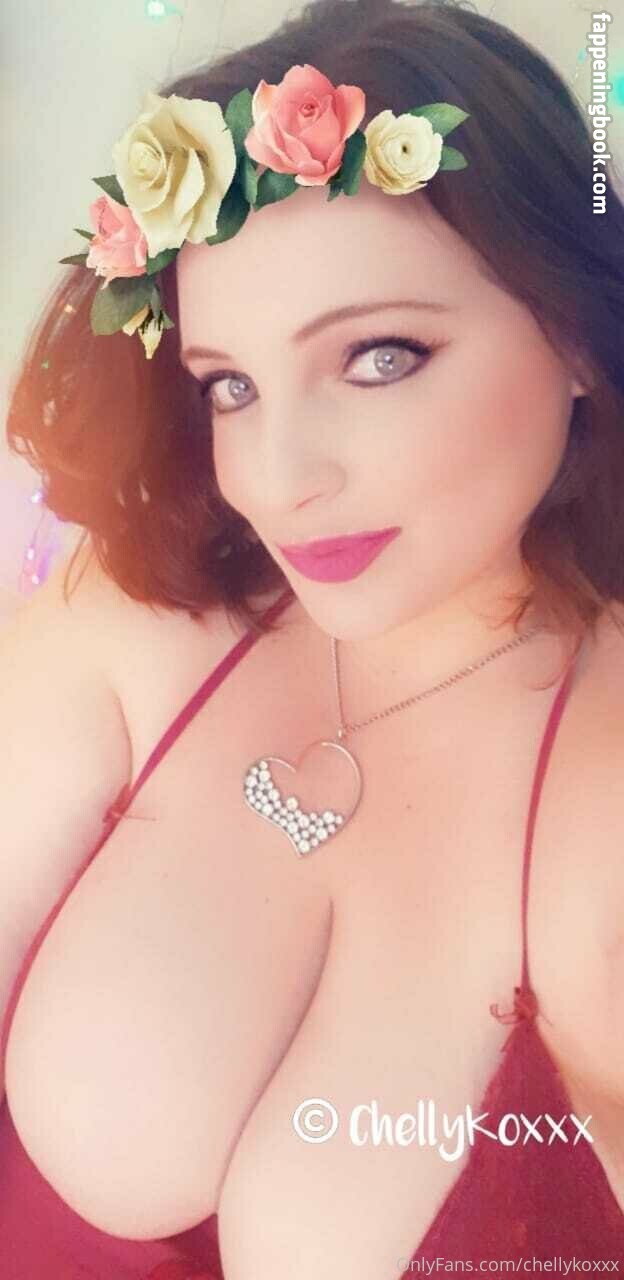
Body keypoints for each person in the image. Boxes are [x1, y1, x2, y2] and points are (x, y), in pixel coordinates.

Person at [2, 0, 624, 1275]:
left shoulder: (601, 789)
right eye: (229, 384)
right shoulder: (141, 613)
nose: (279, 481)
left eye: (379, 357)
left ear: (576, 332)